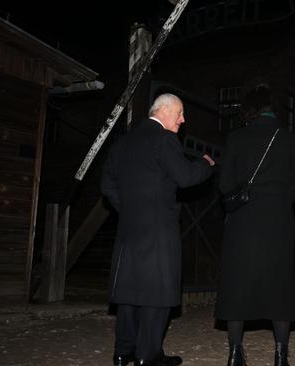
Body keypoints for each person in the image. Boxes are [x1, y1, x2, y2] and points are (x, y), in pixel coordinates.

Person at [101, 93, 215, 366]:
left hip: (129, 230)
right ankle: (147, 355)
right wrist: (205, 165)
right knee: (158, 292)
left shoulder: (122, 143)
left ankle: (122, 352)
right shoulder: (164, 139)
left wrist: (130, 209)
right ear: (164, 111)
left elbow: (107, 186)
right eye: (180, 113)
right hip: (159, 232)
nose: (183, 120)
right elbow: (185, 177)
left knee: (128, 292)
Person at [214, 83, 295, 366]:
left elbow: (225, 183)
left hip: (243, 219)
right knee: (279, 284)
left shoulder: (236, 138)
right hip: (277, 220)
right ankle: (280, 356)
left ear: (250, 109)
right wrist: (276, 200)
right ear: (272, 109)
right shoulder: (289, 139)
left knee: (236, 282)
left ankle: (234, 354)